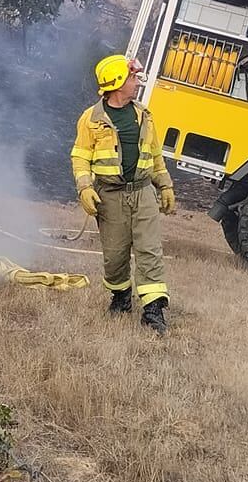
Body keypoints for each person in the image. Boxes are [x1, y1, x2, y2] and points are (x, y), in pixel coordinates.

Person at [72, 54, 176, 333]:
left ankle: (153, 310)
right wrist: (85, 188)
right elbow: (80, 157)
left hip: (143, 193)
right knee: (115, 254)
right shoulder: (91, 119)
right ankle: (121, 298)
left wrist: (165, 185)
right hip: (110, 197)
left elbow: (155, 155)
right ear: (117, 83)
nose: (137, 82)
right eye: (132, 78)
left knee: (149, 250)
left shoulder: (144, 115)